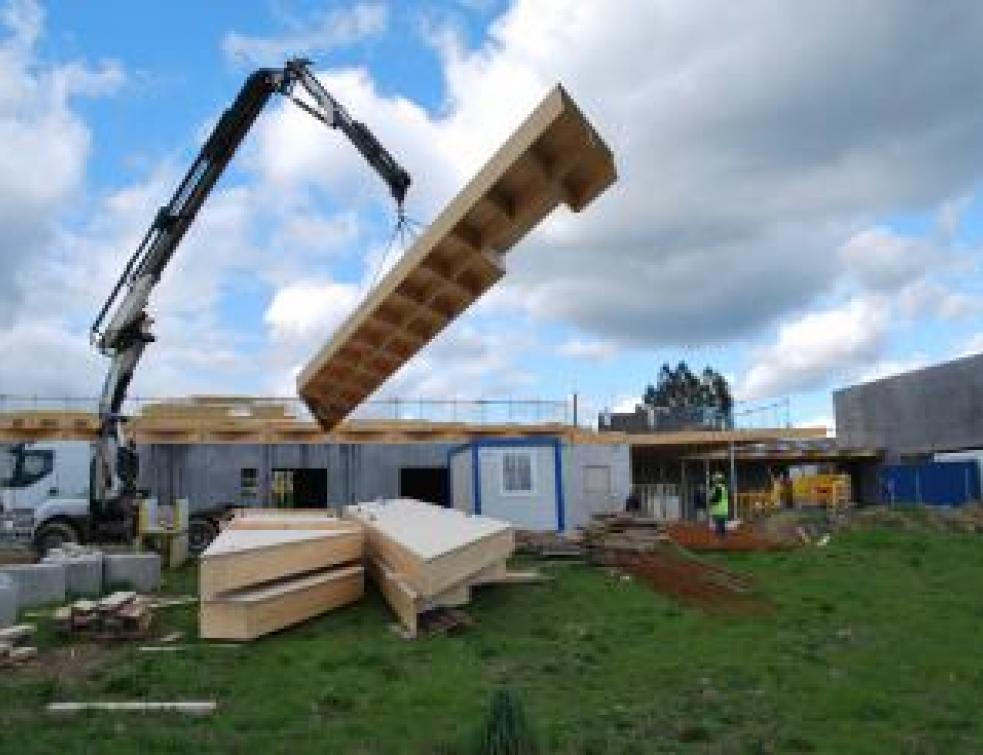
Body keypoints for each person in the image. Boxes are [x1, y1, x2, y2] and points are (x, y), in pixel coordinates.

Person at [708, 471, 729, 537]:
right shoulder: (724, 488)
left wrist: (710, 501)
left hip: (718, 510)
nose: (713, 480)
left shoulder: (718, 488)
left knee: (718, 527)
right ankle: (723, 540)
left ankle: (719, 540)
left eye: (714, 479)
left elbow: (716, 499)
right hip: (723, 510)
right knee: (722, 527)